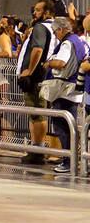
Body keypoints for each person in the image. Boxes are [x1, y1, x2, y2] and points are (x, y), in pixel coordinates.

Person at [42, 17, 84, 174]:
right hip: (74, 89)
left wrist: (48, 63)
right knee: (69, 127)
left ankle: (68, 161)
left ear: (61, 29)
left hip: (65, 91)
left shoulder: (67, 43)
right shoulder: (78, 40)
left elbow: (61, 63)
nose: (55, 35)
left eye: (55, 32)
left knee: (63, 127)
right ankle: (71, 159)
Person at [17, 0, 56, 166]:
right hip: (46, 77)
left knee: (37, 113)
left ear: (47, 12)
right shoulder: (54, 28)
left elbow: (38, 49)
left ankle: (37, 151)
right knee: (37, 113)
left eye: (38, 10)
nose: (35, 13)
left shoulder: (41, 27)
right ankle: (36, 149)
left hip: (36, 78)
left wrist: (29, 71)